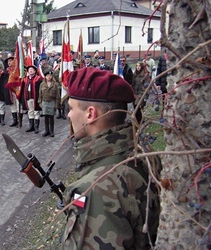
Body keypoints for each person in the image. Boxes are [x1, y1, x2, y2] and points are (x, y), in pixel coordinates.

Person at [61, 67, 160, 249]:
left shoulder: (94, 189)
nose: (68, 115)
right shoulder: (143, 153)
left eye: (71, 108)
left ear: (90, 114)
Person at [19, 65, 43, 133]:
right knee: (30, 112)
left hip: (36, 98)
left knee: (36, 112)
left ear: (35, 71)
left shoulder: (38, 79)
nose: (30, 70)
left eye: (32, 69)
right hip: (28, 98)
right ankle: (31, 126)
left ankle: (36, 127)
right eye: (29, 70)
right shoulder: (25, 79)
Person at [38, 71, 60, 137]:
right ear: (45, 77)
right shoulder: (42, 84)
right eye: (47, 76)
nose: (49, 77)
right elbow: (40, 94)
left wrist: (57, 105)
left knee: (51, 117)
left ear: (52, 76)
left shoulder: (55, 84)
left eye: (50, 76)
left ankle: (51, 131)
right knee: (46, 117)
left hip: (52, 102)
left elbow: (57, 95)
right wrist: (40, 103)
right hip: (44, 102)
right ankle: (46, 130)